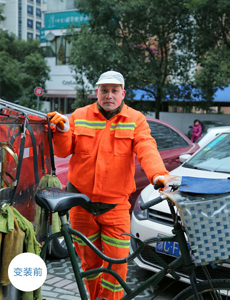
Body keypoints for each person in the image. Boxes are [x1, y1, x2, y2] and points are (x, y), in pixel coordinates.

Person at [47, 70, 171, 300]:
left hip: (115, 208)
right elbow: (63, 151)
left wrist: (159, 176)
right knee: (89, 265)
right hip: (81, 206)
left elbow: (147, 148)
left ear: (123, 94)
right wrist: (63, 130)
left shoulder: (135, 119)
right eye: (104, 90)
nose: (109, 95)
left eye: (114, 90)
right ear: (97, 92)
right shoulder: (80, 115)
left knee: (118, 266)